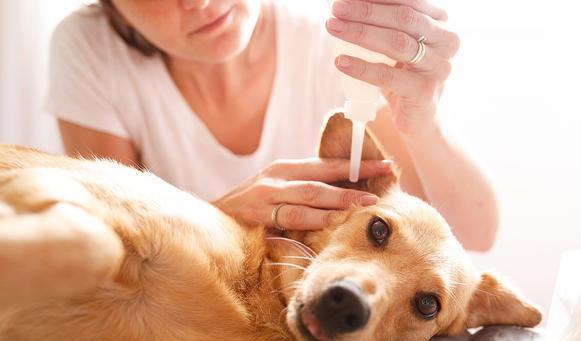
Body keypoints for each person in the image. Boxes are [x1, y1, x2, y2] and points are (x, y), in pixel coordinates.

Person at [46, 0, 498, 251]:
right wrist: (219, 220)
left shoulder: (337, 40)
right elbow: (108, 257)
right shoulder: (92, 49)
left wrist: (424, 122)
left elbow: (475, 233)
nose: (198, 3)